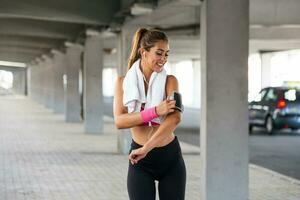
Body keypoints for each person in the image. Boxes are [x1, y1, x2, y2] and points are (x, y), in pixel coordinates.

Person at [113, 28, 186, 200]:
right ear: (143, 53)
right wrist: (155, 111)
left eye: (166, 54)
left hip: (170, 157)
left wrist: (147, 148)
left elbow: (175, 118)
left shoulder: (171, 81)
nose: (163, 59)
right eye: (159, 53)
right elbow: (120, 121)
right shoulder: (122, 82)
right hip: (140, 162)